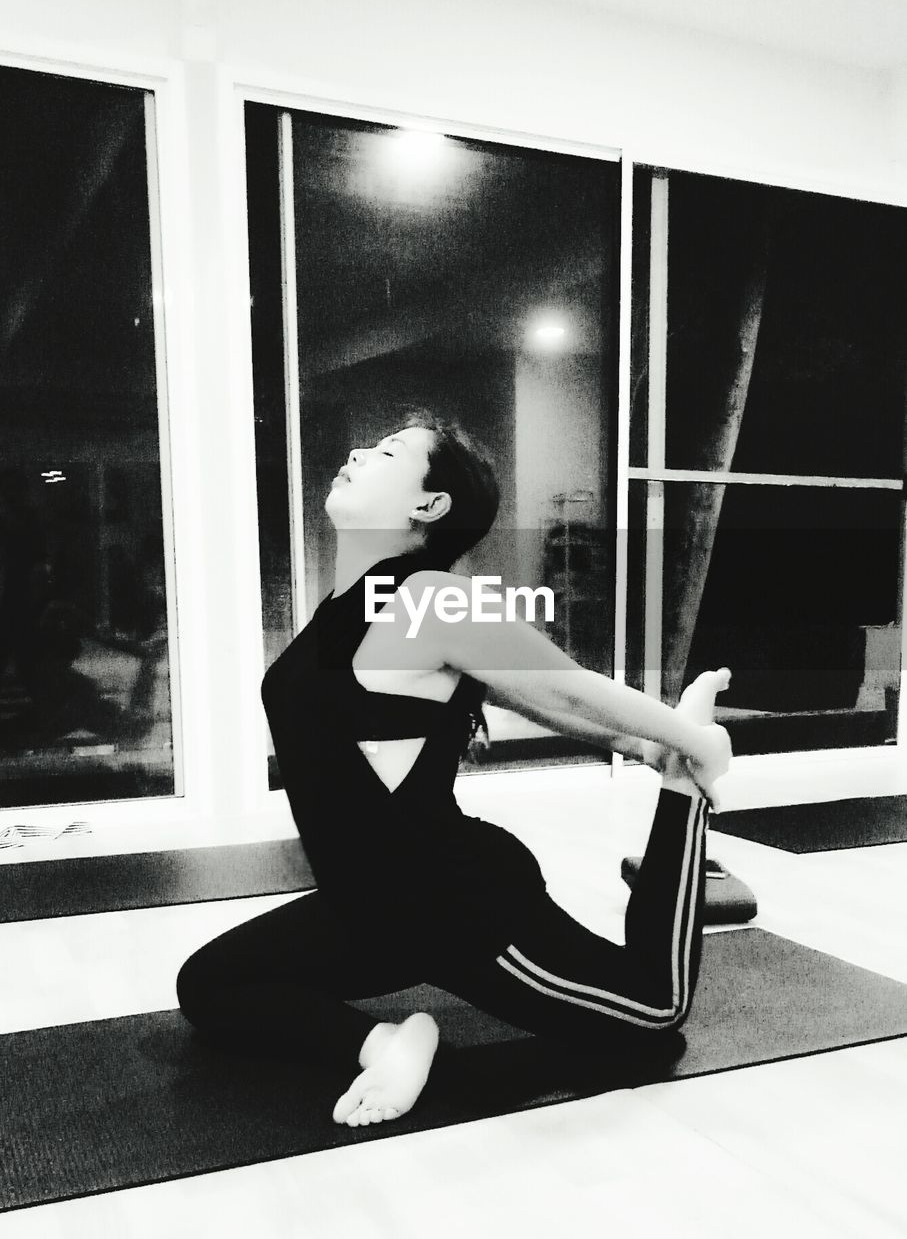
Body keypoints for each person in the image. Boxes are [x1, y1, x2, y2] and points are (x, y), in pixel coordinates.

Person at [176, 407, 732, 1128]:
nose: (355, 450)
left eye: (386, 451)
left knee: (652, 1012)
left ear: (427, 505)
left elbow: (559, 681)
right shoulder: (351, 607)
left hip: (451, 907)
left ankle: (683, 797)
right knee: (211, 985)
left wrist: (685, 743)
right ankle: (389, 1042)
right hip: (366, 908)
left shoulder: (426, 596)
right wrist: (630, 743)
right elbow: (514, 692)